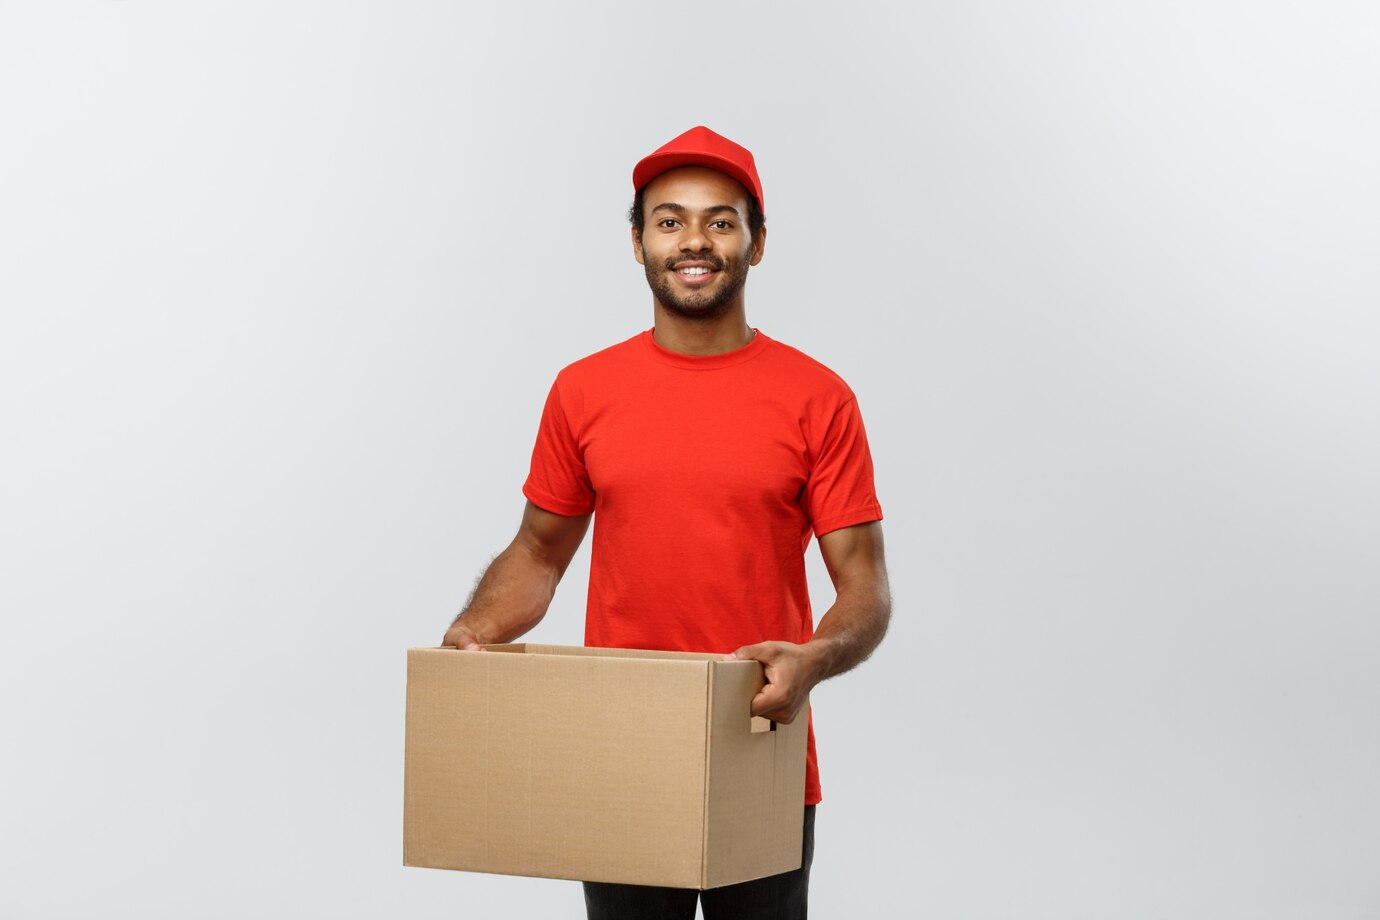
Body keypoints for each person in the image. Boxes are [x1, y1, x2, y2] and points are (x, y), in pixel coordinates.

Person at [441, 125, 892, 920]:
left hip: (758, 739)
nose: (695, 240)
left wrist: (815, 660)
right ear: (639, 241)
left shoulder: (819, 398)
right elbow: (540, 550)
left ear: (756, 245)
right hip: (623, 747)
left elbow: (863, 583)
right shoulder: (583, 391)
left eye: (722, 221)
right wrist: (475, 631)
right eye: (670, 219)